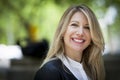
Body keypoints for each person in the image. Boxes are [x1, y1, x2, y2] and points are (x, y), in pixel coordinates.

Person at [34, 4, 105, 80]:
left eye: (87, 27)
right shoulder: (49, 72)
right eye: (74, 25)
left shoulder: (94, 71)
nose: (80, 32)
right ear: (63, 31)